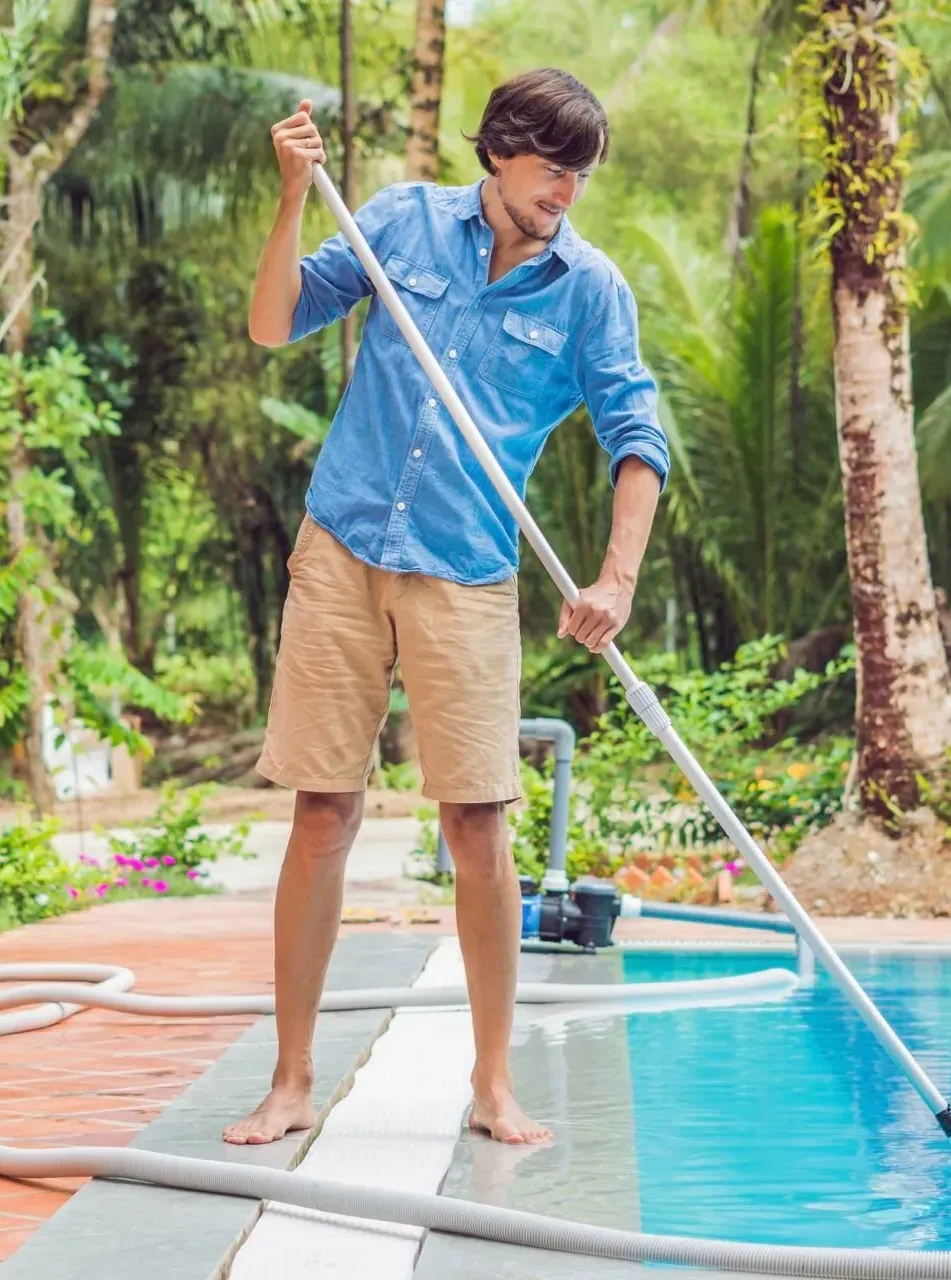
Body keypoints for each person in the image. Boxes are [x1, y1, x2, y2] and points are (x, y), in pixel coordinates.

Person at [224, 67, 670, 1148]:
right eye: (552, 169)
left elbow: (637, 439)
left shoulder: (589, 288)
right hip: (342, 543)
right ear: (502, 149)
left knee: (477, 824)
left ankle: (492, 1081)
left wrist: (614, 579)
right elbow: (273, 324)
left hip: (466, 566)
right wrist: (291, 194)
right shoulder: (396, 221)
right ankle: (290, 1079)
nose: (565, 191)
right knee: (323, 808)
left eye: (580, 177)